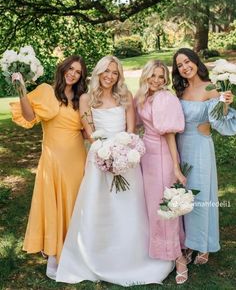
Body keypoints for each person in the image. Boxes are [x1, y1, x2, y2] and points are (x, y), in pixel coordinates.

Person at [55, 55, 174, 286]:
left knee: (129, 209)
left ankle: (132, 258)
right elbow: (89, 132)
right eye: (106, 71)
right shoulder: (86, 98)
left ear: (119, 75)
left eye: (115, 72)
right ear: (98, 72)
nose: (110, 76)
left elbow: (130, 130)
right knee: (99, 210)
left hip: (126, 157)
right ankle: (95, 257)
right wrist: (105, 153)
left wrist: (123, 154)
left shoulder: (125, 96)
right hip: (99, 158)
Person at [10, 55, 88, 274]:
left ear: (82, 76)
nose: (73, 74)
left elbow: (86, 129)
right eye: (70, 69)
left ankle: (76, 250)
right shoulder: (46, 91)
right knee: (54, 204)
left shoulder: (80, 98)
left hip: (76, 158)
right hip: (53, 159)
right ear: (63, 69)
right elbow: (29, 116)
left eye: (78, 71)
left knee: (75, 202)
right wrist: (22, 90)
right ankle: (54, 254)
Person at [172, 48, 236, 266]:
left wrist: (225, 103)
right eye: (180, 65)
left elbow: (219, 121)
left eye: (187, 61)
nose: (185, 67)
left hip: (200, 148)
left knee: (201, 197)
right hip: (180, 148)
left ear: (196, 62)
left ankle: (204, 243)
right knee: (184, 197)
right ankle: (189, 241)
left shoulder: (211, 87)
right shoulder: (179, 91)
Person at [135, 60, 188, 284]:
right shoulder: (142, 96)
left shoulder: (165, 98)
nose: (157, 80)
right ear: (146, 76)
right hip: (147, 157)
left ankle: (179, 258)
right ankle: (160, 252)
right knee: (152, 206)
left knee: (167, 206)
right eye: (153, 76)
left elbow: (169, 135)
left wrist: (176, 166)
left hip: (163, 156)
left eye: (161, 76)